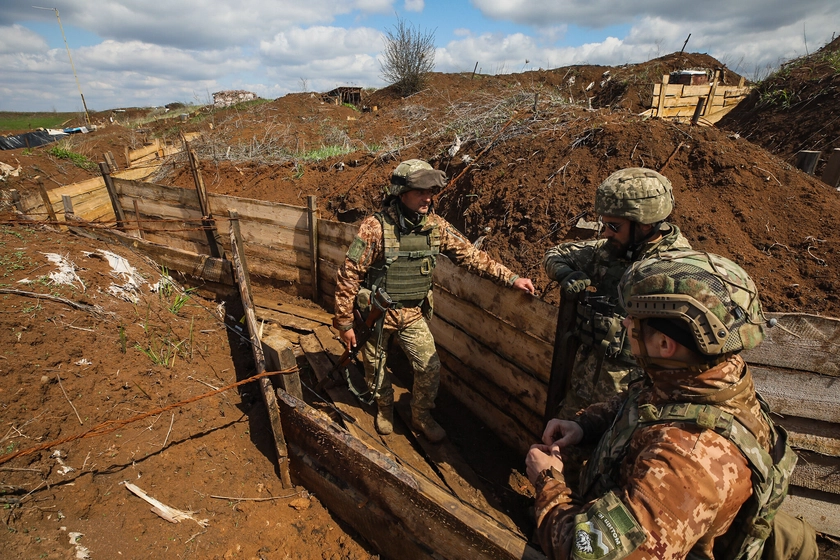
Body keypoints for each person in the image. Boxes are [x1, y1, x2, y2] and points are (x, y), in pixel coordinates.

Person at [526, 251, 817, 559]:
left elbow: (587, 553)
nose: (625, 323)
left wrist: (548, 482)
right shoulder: (703, 377)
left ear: (665, 345)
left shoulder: (687, 463)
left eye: (634, 319)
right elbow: (646, 402)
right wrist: (585, 426)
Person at [333, 159, 535, 442]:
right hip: (376, 315)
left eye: (430, 192)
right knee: (374, 367)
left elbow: (470, 255)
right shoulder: (375, 228)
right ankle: (384, 408)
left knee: (430, 368)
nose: (428, 198)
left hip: (413, 313)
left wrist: (511, 278)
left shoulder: (435, 227)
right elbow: (349, 274)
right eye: (420, 192)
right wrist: (344, 322)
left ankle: (421, 415)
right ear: (401, 195)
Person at [543, 167, 692, 422]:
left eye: (614, 226)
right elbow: (556, 254)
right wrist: (566, 274)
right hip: (584, 388)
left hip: (631, 402)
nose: (606, 233)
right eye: (604, 224)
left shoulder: (680, 272)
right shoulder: (612, 251)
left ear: (645, 224)